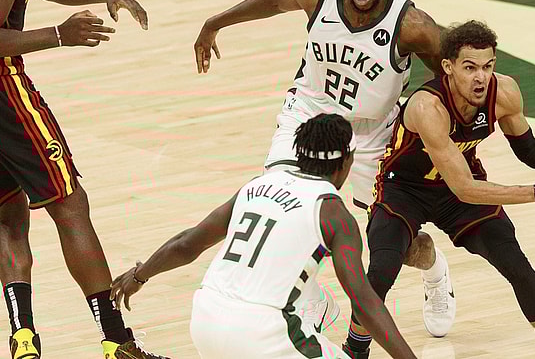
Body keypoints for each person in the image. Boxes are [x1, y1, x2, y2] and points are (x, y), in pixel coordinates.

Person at [193, 0, 456, 339]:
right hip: (308, 115)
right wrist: (214, 23)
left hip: (371, 134)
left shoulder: (412, 25)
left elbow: (453, 74)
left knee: (394, 242)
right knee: (280, 205)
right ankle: (310, 298)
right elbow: (272, 1)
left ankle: (435, 271)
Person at [342, 20, 535, 359]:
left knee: (515, 262)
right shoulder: (428, 107)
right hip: (405, 188)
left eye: (487, 66)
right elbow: (465, 189)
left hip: (458, 185)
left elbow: (528, 148)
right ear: (448, 67)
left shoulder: (505, 92)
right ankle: (354, 351)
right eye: (470, 68)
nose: (480, 77)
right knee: (382, 268)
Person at [110, 114, 418, 359]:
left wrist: (139, 275)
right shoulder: (334, 214)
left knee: (310, 304)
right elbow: (364, 301)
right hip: (262, 335)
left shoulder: (256, 186)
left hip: (205, 319)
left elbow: (187, 244)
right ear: (347, 161)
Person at [0, 0, 167, 358]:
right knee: (71, 206)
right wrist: (59, 34)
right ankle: (117, 342)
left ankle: (23, 340)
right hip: (4, 95)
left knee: (8, 215)